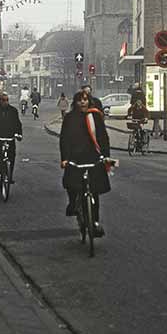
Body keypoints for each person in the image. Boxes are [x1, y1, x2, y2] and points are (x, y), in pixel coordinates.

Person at [60, 89, 111, 237]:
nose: (83, 102)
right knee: (72, 183)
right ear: (75, 103)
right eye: (79, 100)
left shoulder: (95, 116)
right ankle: (73, 204)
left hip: (92, 157)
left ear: (89, 101)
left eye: (85, 99)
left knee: (93, 192)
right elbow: (64, 139)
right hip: (75, 158)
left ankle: (94, 222)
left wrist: (105, 156)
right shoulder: (70, 118)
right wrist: (64, 158)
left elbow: (103, 137)